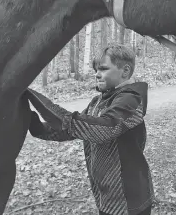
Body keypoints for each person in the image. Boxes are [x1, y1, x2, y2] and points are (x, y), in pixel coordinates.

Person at [25, 43, 154, 215]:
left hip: (130, 198)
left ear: (125, 71)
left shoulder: (132, 100)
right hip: (106, 196)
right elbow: (75, 129)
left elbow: (105, 128)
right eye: (96, 70)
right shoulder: (97, 101)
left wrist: (44, 104)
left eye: (103, 69)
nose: (97, 75)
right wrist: (39, 128)